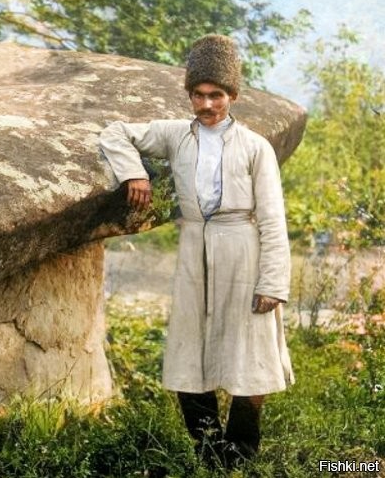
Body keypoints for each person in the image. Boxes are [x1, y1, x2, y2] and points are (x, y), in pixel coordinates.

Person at [98, 34, 294, 466]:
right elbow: (115, 132)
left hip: (244, 246)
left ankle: (241, 454)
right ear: (189, 95)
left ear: (233, 96)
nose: (207, 105)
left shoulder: (255, 147)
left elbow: (274, 219)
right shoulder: (174, 135)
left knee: (252, 351)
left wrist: (273, 282)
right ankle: (208, 451)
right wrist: (135, 173)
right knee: (191, 347)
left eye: (217, 95)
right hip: (194, 245)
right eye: (199, 95)